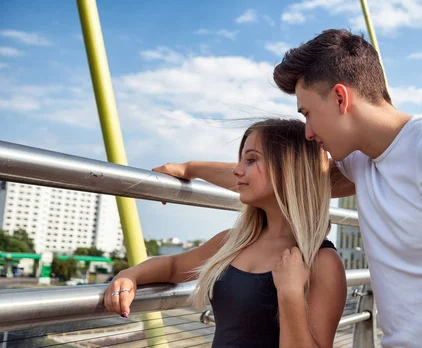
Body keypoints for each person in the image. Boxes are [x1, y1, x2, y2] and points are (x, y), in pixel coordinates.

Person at [154, 29, 422, 348]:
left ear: (341, 99)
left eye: (308, 112)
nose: (307, 131)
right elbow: (277, 179)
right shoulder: (366, 163)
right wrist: (189, 167)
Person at [104, 119, 347, 348]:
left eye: (251, 160)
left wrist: (290, 294)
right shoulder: (233, 241)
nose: (237, 171)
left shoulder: (322, 262)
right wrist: (130, 276)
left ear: (289, 170)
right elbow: (173, 265)